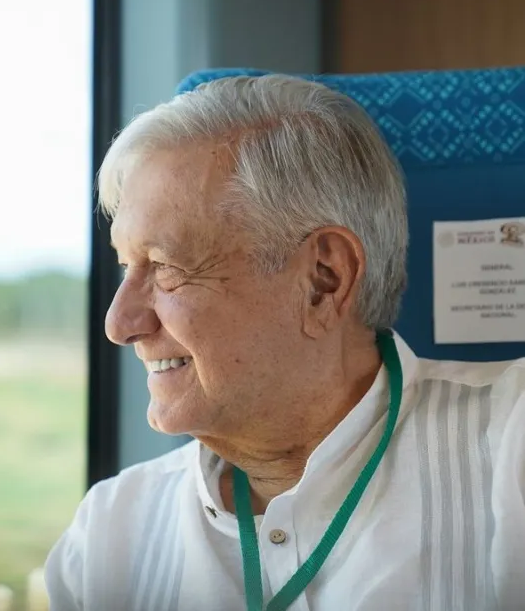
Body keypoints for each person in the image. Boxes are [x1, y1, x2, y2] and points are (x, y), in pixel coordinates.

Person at [44, 74, 525, 611]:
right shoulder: (110, 532)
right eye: (125, 266)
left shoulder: (511, 448)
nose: (120, 322)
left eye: (165, 266)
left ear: (324, 281)